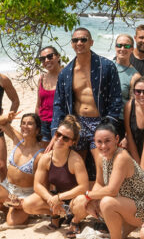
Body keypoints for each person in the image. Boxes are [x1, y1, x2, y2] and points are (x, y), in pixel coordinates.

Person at [70, 120, 144, 239]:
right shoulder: (102, 157)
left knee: (106, 202)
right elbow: (99, 183)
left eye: (107, 141)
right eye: (99, 142)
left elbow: (112, 190)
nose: (103, 145)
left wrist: (88, 196)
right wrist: (90, 201)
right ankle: (126, 226)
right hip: (128, 202)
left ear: (117, 139)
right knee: (77, 203)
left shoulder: (121, 156)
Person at [50, 27, 123, 159]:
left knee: (102, 163)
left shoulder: (106, 66)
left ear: (91, 42)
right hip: (77, 122)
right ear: (71, 44)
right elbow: (58, 104)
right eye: (75, 40)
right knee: (76, 164)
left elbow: (116, 98)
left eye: (83, 39)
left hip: (100, 121)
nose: (79, 43)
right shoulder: (65, 73)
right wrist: (56, 132)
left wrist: (109, 125)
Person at [26, 114, 91, 226]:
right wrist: (51, 199)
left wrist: (60, 197)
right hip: (56, 197)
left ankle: (75, 220)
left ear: (72, 142)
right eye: (58, 134)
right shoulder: (46, 158)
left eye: (65, 138)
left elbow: (84, 187)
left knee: (83, 201)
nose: (60, 139)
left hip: (72, 199)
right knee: (28, 204)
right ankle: (57, 214)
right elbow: (37, 184)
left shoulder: (75, 160)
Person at [0, 112, 44, 225]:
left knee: (12, 223)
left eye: (30, 124)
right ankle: (7, 208)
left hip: (25, 194)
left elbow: (42, 184)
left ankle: (21, 209)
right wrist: (8, 117)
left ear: (37, 130)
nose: (25, 126)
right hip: (7, 187)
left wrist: (26, 201)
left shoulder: (40, 155)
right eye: (23, 123)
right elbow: (0, 121)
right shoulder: (17, 138)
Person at [124, 75, 144, 159]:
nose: (142, 95)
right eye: (138, 91)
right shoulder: (129, 106)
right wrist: (139, 164)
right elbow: (129, 136)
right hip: (135, 154)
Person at [35, 45, 61, 144]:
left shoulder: (66, 76)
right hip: (43, 124)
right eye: (42, 59)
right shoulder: (42, 79)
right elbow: (38, 105)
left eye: (50, 56)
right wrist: (36, 124)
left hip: (60, 124)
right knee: (45, 156)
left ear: (58, 57)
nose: (46, 60)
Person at [113, 34, 138, 101]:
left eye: (126, 46)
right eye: (119, 45)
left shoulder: (135, 76)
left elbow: (133, 104)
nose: (122, 49)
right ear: (115, 47)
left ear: (132, 49)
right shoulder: (106, 66)